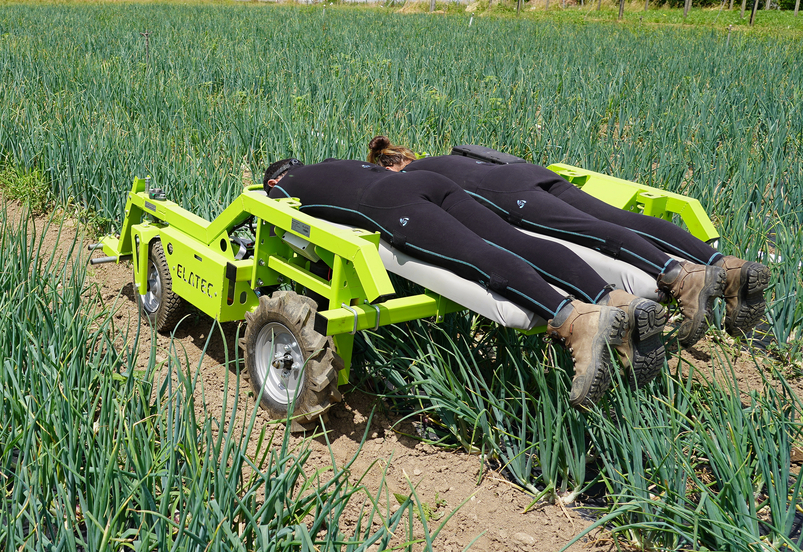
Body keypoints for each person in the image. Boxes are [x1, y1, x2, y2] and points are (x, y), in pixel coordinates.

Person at [263, 157, 664, 408]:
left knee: (472, 254)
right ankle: (615, 301)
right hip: (429, 184)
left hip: (388, 204)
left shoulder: (283, 189)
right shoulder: (336, 163)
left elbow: (292, 230)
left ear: (275, 181)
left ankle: (575, 320)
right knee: (514, 241)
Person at [366, 137, 769, 347]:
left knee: (588, 231)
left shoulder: (411, 178)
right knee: (618, 218)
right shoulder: (452, 156)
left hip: (507, 196)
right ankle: (726, 267)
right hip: (527, 174)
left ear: (390, 167)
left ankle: (679, 277)